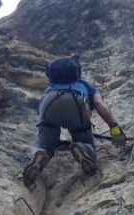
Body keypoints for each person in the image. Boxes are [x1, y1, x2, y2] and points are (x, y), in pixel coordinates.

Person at [23, 57, 127, 188]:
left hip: (49, 103)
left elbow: (42, 113)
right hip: (75, 103)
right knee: (84, 138)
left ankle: (42, 153)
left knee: (46, 143)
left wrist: (52, 138)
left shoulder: (50, 88)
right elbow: (99, 105)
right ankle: (83, 148)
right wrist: (115, 129)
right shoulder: (86, 85)